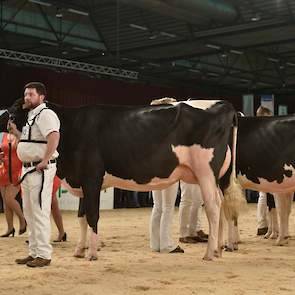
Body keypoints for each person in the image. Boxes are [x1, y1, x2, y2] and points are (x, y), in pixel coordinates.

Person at [9, 82, 60, 268]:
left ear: (41, 97)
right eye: (25, 94)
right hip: (28, 169)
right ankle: (34, 252)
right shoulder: (32, 115)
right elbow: (32, 140)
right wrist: (16, 132)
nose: (27, 97)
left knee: (39, 211)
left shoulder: (46, 114)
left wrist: (45, 160)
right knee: (29, 212)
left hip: (40, 169)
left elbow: (54, 136)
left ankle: (44, 254)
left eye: (31, 94)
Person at [0, 132, 26, 237]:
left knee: (9, 198)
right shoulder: (5, 135)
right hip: (4, 170)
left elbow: (23, 153)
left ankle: (22, 219)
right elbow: (4, 151)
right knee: (6, 202)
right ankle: (10, 228)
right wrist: (2, 157)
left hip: (17, 171)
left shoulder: (20, 134)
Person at [150, 183, 184, 253]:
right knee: (168, 207)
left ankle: (155, 245)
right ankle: (166, 245)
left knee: (157, 206)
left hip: (154, 174)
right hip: (169, 174)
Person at [256, 105, 272, 235]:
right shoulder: (261, 130)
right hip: (263, 164)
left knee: (265, 194)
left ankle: (265, 225)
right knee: (264, 194)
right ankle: (262, 224)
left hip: (266, 163)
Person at [51, 175, 67, 242]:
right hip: (49, 175)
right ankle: (62, 233)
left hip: (51, 173)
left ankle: (38, 236)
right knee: (54, 206)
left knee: (52, 203)